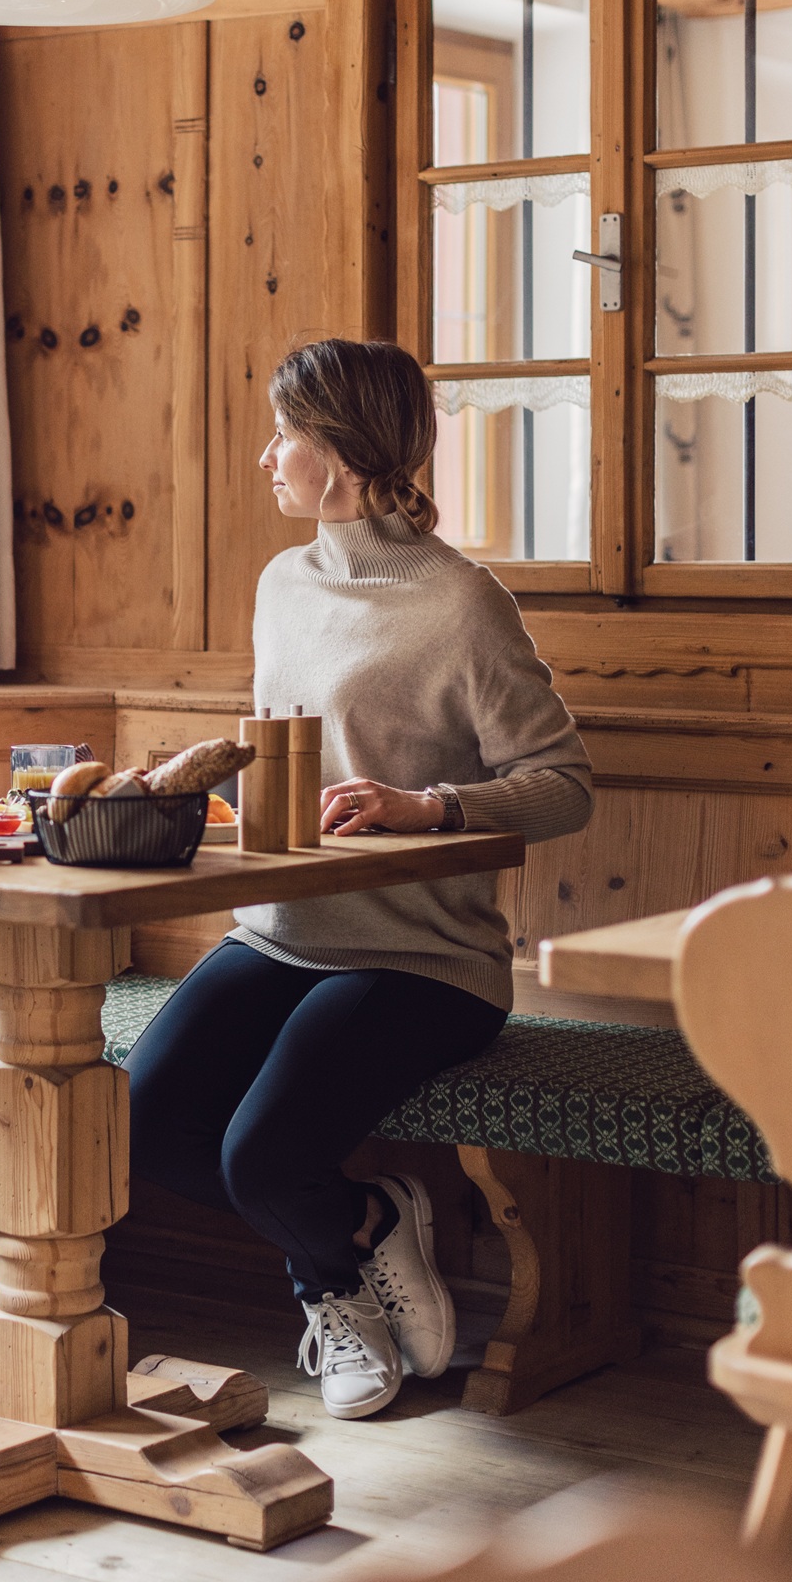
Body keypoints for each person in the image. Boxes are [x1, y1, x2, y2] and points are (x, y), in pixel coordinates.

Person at [124, 339, 594, 1420]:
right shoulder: (281, 583)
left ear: (336, 454)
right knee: (146, 1124)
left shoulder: (460, 604)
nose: (265, 455)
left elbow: (563, 785)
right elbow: (295, 747)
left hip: (423, 955)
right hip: (277, 930)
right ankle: (361, 1237)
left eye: (283, 433)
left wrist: (428, 804)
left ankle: (327, 1283)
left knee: (258, 1155)